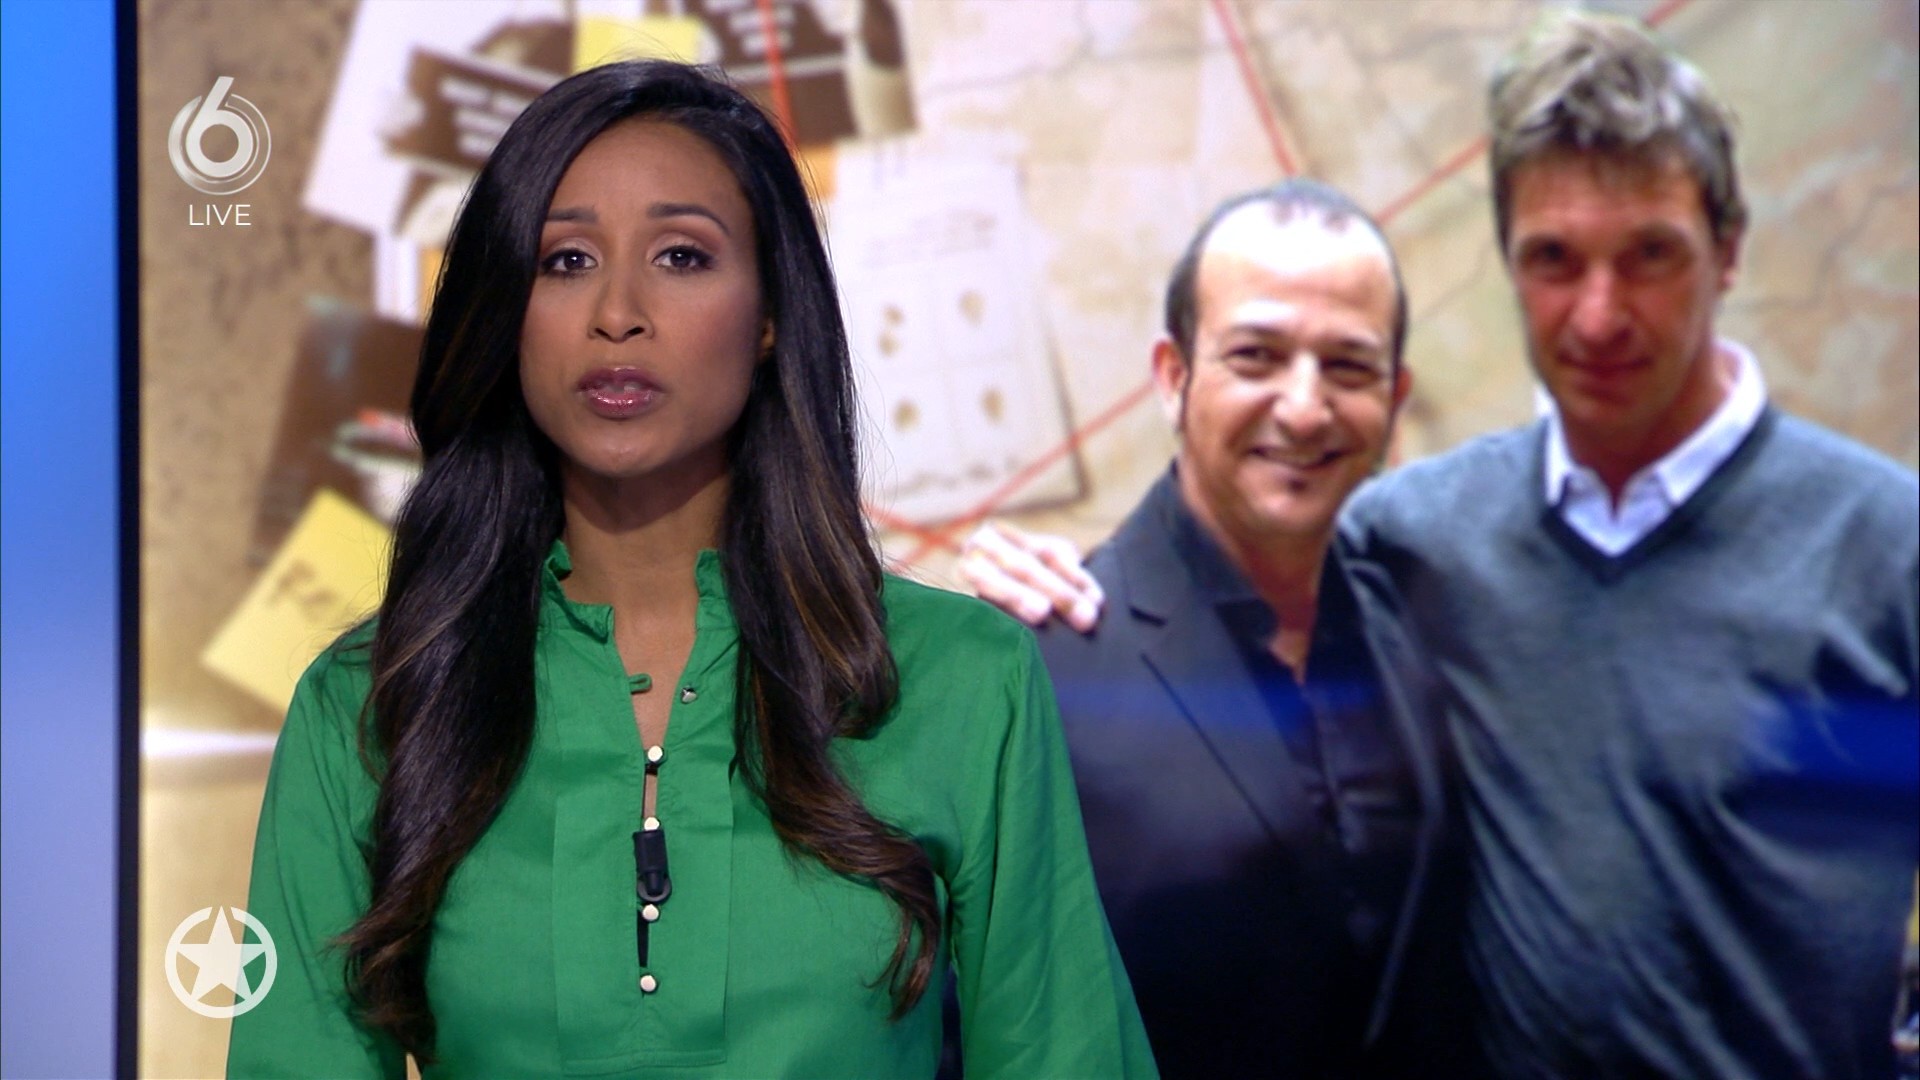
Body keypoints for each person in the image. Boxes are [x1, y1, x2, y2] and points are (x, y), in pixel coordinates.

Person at [965, 11, 1919, 1078]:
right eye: (1553, 258)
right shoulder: (1422, 537)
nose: (1599, 315)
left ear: (1729, 251)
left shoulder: (1890, 548)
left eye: (1650, 254)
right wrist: (1020, 588)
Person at [227, 60, 1155, 1079]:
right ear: (506, 310)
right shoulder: (371, 705)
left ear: (769, 315)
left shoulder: (964, 677)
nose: (618, 312)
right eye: (565, 260)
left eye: (680, 255)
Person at [966, 179, 1469, 1078]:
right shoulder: (1034, 669)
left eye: (1348, 366)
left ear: (1396, 397)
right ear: (1174, 377)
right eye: (1256, 356)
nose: (1304, 408)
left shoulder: (1434, 628)